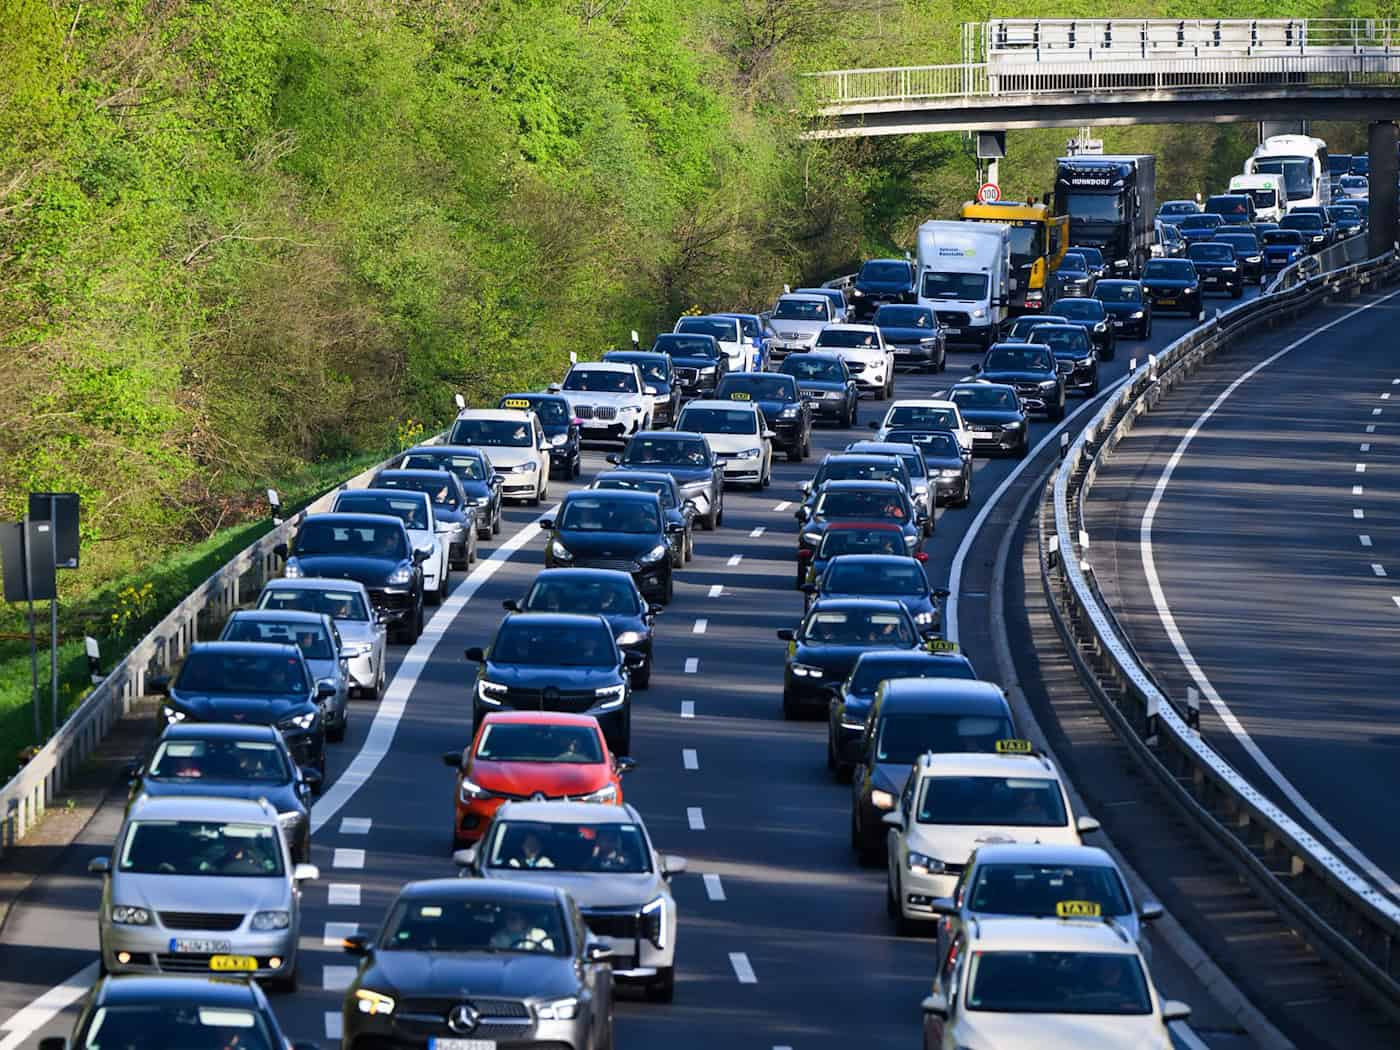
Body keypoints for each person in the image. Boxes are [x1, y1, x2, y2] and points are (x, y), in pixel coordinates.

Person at [490, 908, 556, 952]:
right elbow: (494, 958)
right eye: (508, 918)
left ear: (524, 920)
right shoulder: (498, 937)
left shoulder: (540, 935)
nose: (510, 921)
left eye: (514, 918)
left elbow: (549, 957)